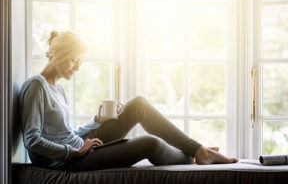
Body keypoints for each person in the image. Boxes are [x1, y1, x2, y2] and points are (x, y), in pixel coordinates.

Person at [19, 30, 238, 172]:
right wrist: (74, 153)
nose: (77, 67)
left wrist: (97, 121)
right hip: (69, 161)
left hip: (80, 148)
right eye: (74, 60)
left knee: (138, 104)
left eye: (80, 62)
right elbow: (33, 141)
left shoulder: (58, 89)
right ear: (57, 54)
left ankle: (198, 150)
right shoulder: (36, 86)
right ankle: (193, 157)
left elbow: (66, 133)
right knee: (149, 143)